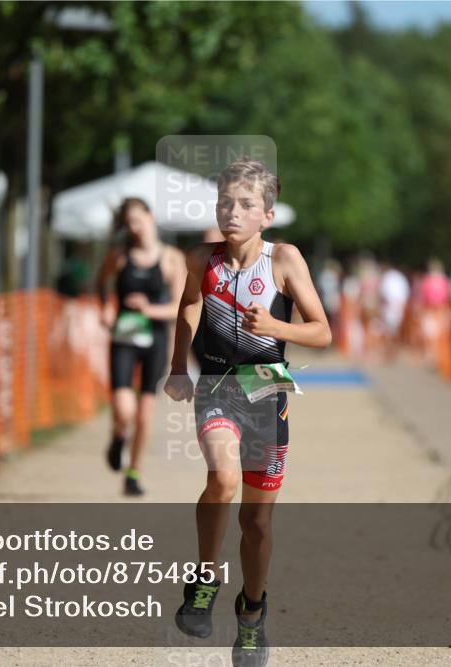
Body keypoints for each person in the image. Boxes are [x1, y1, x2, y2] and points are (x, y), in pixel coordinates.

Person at [164, 158, 331, 667]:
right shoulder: (202, 258)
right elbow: (189, 304)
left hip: (267, 390)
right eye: (224, 203)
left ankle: (252, 611)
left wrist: (276, 328)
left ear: (267, 215)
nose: (232, 213)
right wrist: (178, 367)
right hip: (218, 384)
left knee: (256, 521)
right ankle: (204, 580)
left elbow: (322, 331)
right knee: (223, 478)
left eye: (245, 205)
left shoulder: (285, 260)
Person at [96, 198, 185, 495]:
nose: (135, 227)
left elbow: (180, 306)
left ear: (151, 216)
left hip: (156, 339)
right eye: (129, 223)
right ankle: (118, 434)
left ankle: (133, 472)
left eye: (138, 220)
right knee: (124, 408)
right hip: (124, 337)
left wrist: (149, 310)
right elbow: (101, 283)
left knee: (145, 414)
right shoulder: (120, 255)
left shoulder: (171, 258)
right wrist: (106, 307)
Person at [377, 261, 410, 361]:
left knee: (389, 331)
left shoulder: (387, 277)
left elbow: (383, 293)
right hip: (398, 306)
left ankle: (390, 350)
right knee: (395, 330)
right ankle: (393, 350)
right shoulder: (400, 277)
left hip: (390, 306)